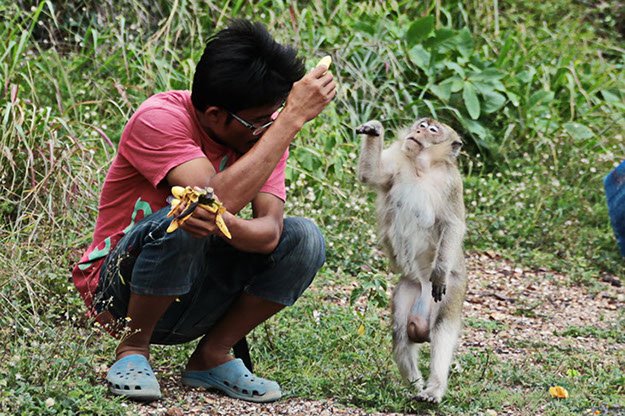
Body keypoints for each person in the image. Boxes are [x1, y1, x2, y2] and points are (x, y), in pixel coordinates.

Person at [71, 19, 336, 403]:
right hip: (117, 295)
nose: (269, 128)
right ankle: (132, 349)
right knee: (188, 215)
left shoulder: (264, 137)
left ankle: (211, 356)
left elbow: (269, 234)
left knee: (305, 239)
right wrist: (291, 120)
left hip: (191, 293)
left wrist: (221, 222)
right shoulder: (160, 118)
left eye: (276, 115)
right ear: (214, 115)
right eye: (261, 121)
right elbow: (208, 197)